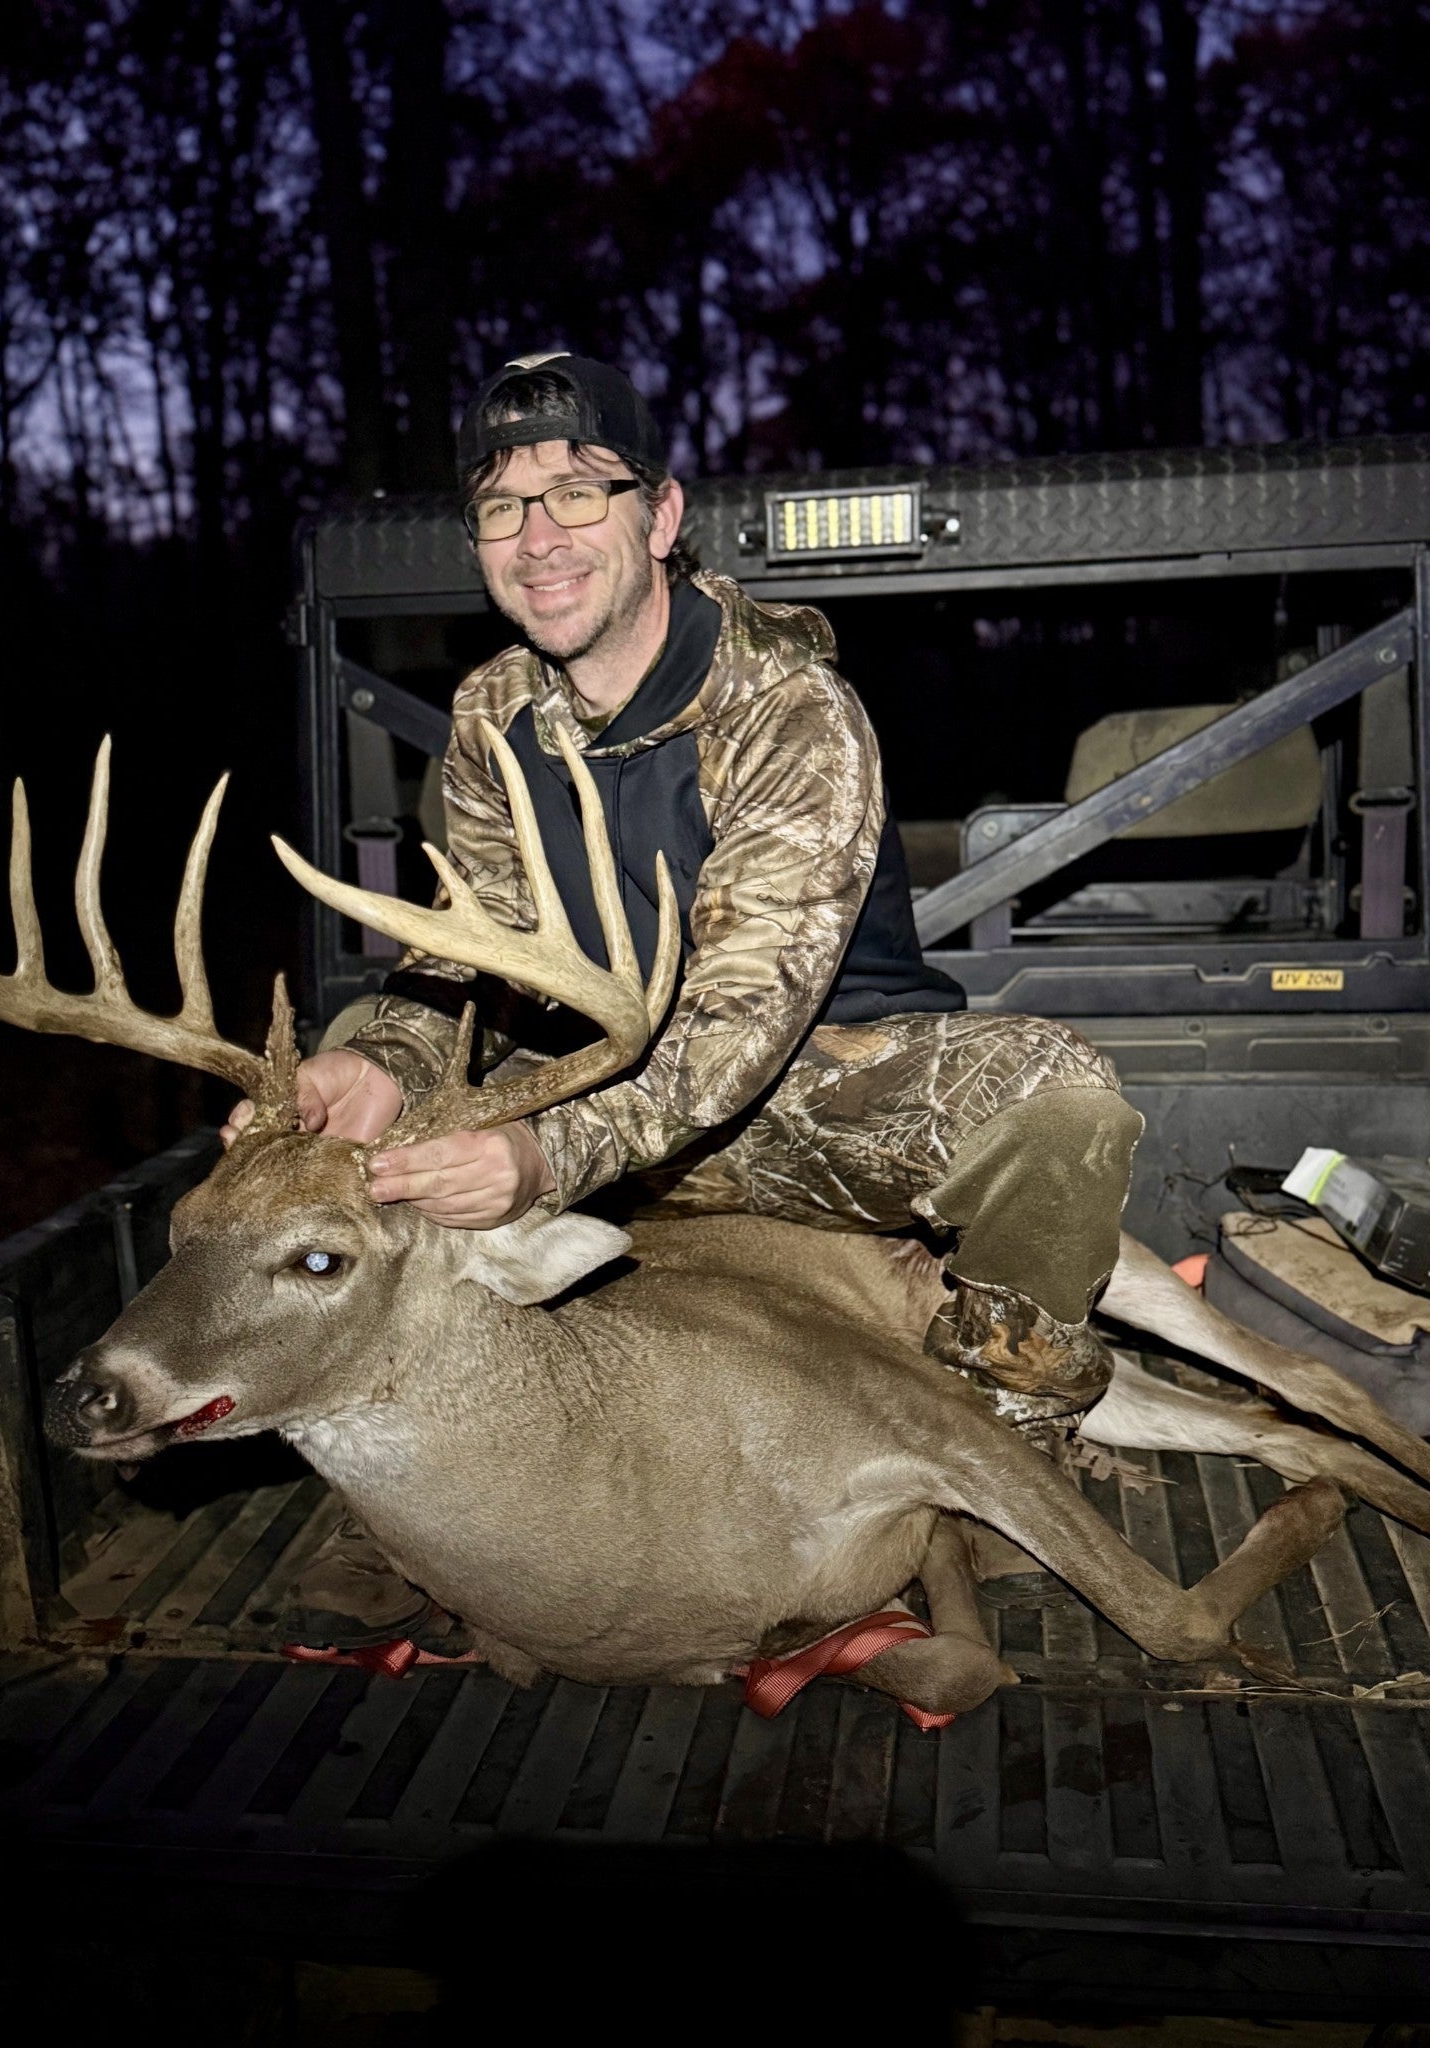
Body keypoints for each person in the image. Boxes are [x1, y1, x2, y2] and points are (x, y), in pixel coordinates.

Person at [225, 351, 1142, 1653]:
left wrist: (543, 1156)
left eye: (577, 493)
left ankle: (1007, 1447)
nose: (539, 538)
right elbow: (462, 963)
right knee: (366, 1106)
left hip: (800, 1103)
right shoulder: (493, 715)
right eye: (502, 506)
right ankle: (394, 1505)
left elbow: (739, 1028)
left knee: (1059, 1105)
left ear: (660, 517)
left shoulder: (786, 707)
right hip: (592, 1091)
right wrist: (379, 1062)